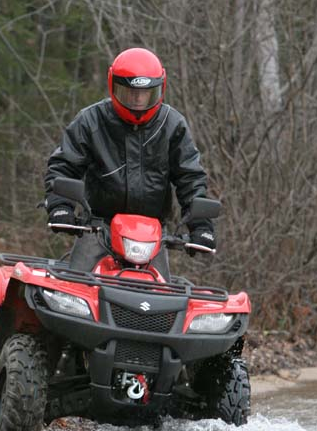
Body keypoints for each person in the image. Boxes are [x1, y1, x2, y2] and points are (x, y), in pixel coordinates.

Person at [44, 47, 215, 277]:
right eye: (129, 92)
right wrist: (60, 206)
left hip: (151, 234)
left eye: (145, 93)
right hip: (98, 228)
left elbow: (190, 177)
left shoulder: (172, 124)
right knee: (74, 289)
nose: (137, 100)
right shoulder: (92, 120)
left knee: (159, 295)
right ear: (113, 86)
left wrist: (201, 225)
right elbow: (64, 165)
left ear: (160, 89)